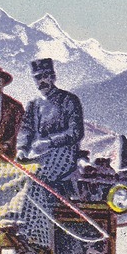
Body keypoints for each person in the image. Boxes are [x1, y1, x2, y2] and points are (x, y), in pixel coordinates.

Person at [16, 57, 86, 198]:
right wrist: (22, 148)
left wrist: (50, 142)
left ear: (53, 77)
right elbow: (26, 129)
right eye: (37, 78)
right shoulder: (33, 104)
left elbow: (76, 132)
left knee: (37, 177)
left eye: (45, 76)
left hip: (64, 153)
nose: (41, 81)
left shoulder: (69, 100)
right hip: (37, 153)